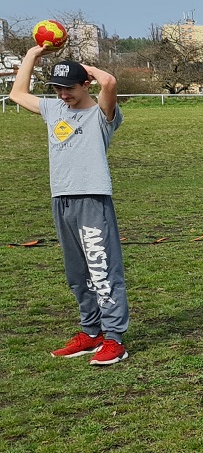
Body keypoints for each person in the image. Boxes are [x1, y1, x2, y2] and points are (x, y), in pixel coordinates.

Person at [7, 45, 130, 365]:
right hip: (61, 198)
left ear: (85, 83)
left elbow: (111, 83)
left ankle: (114, 339)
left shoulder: (102, 113)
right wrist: (34, 54)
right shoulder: (54, 109)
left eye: (69, 88)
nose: (63, 95)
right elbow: (17, 94)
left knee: (102, 269)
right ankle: (91, 334)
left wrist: (84, 66)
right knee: (77, 273)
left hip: (92, 197)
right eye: (57, 89)